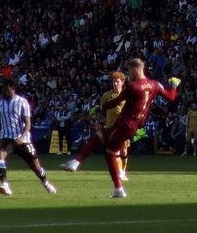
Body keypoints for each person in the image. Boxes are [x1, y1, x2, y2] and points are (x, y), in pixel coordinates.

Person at [61, 57, 179, 198]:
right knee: (100, 136)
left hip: (124, 124)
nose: (128, 73)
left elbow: (115, 101)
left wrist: (100, 108)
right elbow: (171, 97)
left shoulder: (132, 86)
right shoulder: (155, 84)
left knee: (109, 152)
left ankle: (118, 188)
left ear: (135, 69)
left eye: (129, 70)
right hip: (134, 125)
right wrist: (173, 85)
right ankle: (77, 162)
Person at [0, 78, 56, 196]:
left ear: (13, 89)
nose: (6, 92)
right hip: (6, 137)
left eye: (8, 90)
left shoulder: (22, 102)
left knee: (35, 167)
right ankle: (5, 184)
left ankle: (45, 182)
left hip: (22, 139)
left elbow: (28, 123)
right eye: (4, 90)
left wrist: (22, 137)